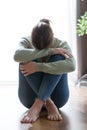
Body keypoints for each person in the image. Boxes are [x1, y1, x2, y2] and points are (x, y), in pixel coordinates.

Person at [14, 19, 76, 123]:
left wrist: (38, 67)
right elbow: (16, 56)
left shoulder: (61, 44)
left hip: (58, 98)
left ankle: (39, 102)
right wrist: (50, 51)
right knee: (24, 58)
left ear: (52, 38)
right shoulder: (26, 41)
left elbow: (72, 66)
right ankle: (48, 102)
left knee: (60, 56)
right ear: (31, 38)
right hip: (29, 99)